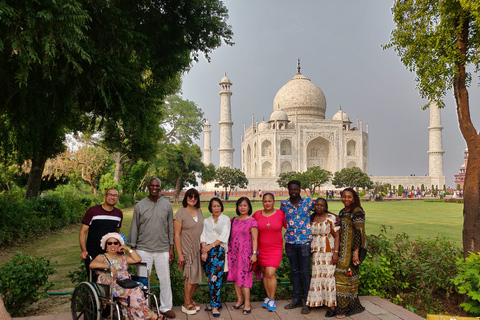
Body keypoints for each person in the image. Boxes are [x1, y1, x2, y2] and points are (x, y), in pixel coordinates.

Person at [127, 178, 175, 319]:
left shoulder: (167, 205)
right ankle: (144, 308)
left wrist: (171, 248)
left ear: (160, 187)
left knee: (165, 280)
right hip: (143, 248)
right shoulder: (140, 205)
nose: (154, 188)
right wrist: (133, 248)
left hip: (163, 248)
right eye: (152, 185)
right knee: (143, 281)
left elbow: (170, 228)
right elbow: (134, 227)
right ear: (148, 187)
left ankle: (165, 307)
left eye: (157, 186)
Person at [89, 233, 162, 320]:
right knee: (134, 292)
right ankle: (149, 316)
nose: (112, 245)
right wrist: (109, 266)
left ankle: (143, 316)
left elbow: (138, 259)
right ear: (106, 245)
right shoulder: (102, 257)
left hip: (125, 283)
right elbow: (92, 264)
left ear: (119, 245)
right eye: (109, 243)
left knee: (135, 292)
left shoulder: (123, 257)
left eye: (116, 243)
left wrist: (128, 249)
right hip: (110, 284)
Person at [280, 180, 314, 314]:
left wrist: (335, 217)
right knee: (294, 271)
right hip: (291, 241)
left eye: (296, 189)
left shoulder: (307, 202)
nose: (293, 192)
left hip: (305, 241)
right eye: (291, 189)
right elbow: (279, 218)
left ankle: (307, 301)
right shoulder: (284, 204)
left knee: (305, 272)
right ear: (288, 190)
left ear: (300, 189)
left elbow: (320, 210)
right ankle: (296, 298)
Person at [335, 188, 367, 318]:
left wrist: (356, 253)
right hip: (342, 251)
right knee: (342, 277)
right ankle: (343, 305)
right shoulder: (343, 212)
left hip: (351, 252)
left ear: (354, 198)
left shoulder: (357, 212)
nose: (346, 199)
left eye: (349, 197)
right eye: (344, 196)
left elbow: (360, 233)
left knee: (347, 277)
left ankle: (344, 309)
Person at [306, 198, 340, 317]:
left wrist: (335, 253)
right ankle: (319, 301)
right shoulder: (312, 218)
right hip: (316, 252)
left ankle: (332, 306)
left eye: (321, 205)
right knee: (318, 277)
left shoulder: (331, 218)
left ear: (325, 207)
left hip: (328, 251)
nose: (319, 207)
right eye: (317, 205)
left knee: (329, 278)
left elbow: (336, 236)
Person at [252, 192, 286, 312]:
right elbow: (248, 225)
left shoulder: (281, 214)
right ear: (262, 202)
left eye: (269, 201)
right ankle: (268, 297)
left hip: (275, 249)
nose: (267, 203)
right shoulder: (257, 215)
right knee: (265, 274)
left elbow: (290, 227)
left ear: (274, 202)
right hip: (261, 249)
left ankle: (272, 299)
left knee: (271, 273)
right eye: (265, 201)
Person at [79, 188, 123, 279]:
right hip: (93, 251)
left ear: (118, 198)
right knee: (94, 278)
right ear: (105, 196)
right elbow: (83, 232)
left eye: (115, 195)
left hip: (110, 252)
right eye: (110, 194)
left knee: (112, 278)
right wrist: (84, 250)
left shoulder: (119, 214)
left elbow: (117, 233)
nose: (112, 197)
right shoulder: (93, 211)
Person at [174, 188, 204, 315]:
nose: (192, 199)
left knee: (196, 277)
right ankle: (186, 303)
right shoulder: (180, 213)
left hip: (199, 248)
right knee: (190, 277)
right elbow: (176, 235)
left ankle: (190, 299)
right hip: (187, 249)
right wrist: (180, 254)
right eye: (190, 197)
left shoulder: (199, 211)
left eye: (195, 197)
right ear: (186, 198)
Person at [227, 197, 259, 315]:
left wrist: (254, 254)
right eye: (240, 205)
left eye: (245, 205)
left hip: (245, 254)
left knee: (245, 278)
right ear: (237, 207)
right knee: (235, 277)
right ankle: (239, 300)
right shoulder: (233, 220)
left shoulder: (252, 221)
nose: (243, 207)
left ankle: (247, 303)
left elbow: (255, 239)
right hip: (233, 253)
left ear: (249, 207)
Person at [201, 197, 231, 318]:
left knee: (216, 279)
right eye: (214, 206)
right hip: (207, 252)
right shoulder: (206, 220)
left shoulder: (225, 219)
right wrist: (204, 250)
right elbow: (203, 236)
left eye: (218, 206)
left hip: (219, 251)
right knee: (209, 278)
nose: (216, 208)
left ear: (221, 207)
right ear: (211, 208)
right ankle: (216, 302)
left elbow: (224, 236)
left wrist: (210, 246)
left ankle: (214, 306)